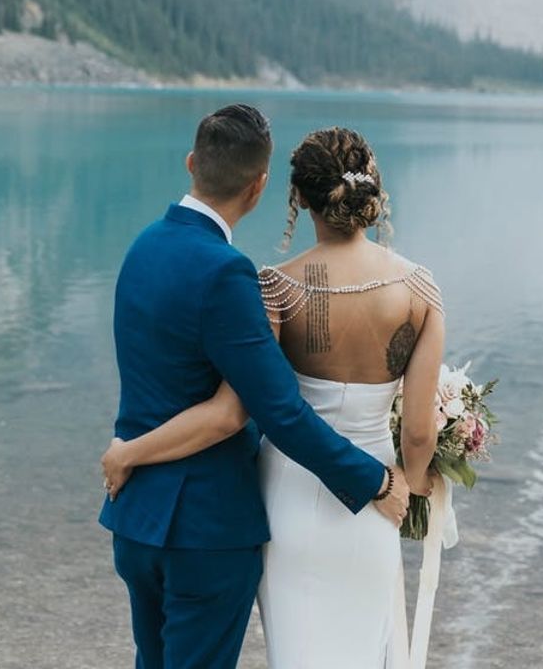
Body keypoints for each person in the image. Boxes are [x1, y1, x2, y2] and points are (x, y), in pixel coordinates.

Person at [103, 125, 444, 669]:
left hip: (168, 515)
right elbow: (257, 409)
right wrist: (401, 480)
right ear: (260, 187)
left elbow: (205, 389)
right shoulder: (421, 290)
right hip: (324, 502)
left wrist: (127, 452)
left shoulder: (171, 254)